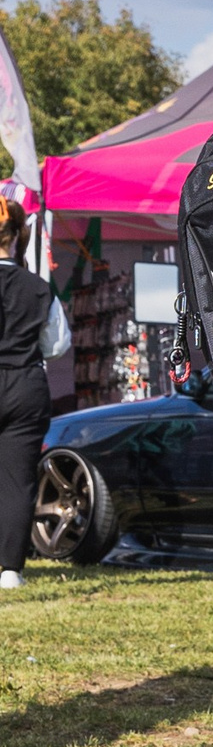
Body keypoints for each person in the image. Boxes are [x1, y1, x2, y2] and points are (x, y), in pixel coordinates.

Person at [0, 199, 50, 592]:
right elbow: (57, 344)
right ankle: (10, 570)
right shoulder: (38, 288)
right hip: (24, 384)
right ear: (17, 237)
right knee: (18, 480)